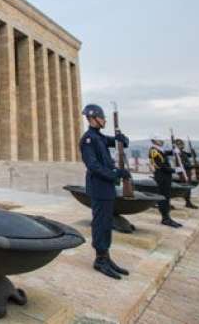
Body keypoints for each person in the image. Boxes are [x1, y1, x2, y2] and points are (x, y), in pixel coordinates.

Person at [79, 104, 132, 280]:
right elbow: (93, 166)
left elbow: (115, 141)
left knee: (107, 223)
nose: (105, 120)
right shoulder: (88, 139)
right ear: (93, 118)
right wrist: (116, 173)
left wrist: (121, 138)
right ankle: (100, 260)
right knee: (100, 223)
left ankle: (106, 257)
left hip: (107, 187)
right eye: (102, 118)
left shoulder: (99, 137)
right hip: (99, 187)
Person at [148, 135, 182, 228]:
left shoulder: (159, 149)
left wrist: (173, 151)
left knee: (167, 197)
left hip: (166, 176)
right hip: (161, 176)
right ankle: (165, 218)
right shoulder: (154, 151)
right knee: (163, 197)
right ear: (154, 141)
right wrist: (174, 170)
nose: (162, 141)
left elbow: (164, 153)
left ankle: (167, 217)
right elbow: (161, 166)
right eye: (160, 140)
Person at [173, 139, 198, 209]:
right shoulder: (178, 154)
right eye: (180, 144)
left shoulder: (182, 152)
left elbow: (191, 155)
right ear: (177, 146)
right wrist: (193, 166)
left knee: (188, 188)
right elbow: (183, 165)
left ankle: (188, 202)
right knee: (186, 188)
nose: (182, 145)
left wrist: (193, 151)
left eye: (182, 144)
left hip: (187, 172)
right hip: (183, 173)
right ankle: (188, 202)